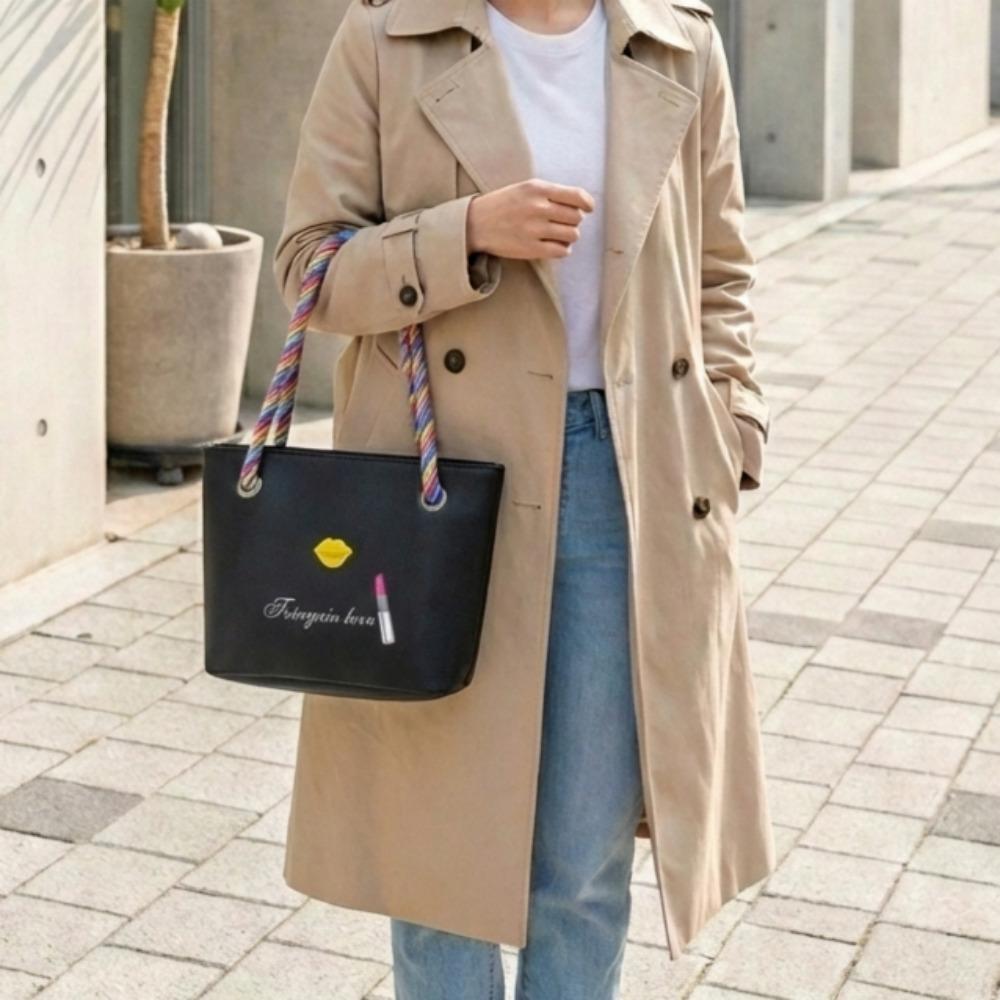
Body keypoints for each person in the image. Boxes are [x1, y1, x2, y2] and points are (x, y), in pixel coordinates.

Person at [272, 0, 776, 997]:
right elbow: (308, 271)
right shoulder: (387, 38)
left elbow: (720, 272)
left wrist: (732, 426)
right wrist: (464, 233)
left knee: (584, 860)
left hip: (625, 475)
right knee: (437, 859)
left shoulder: (680, 43)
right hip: (440, 484)